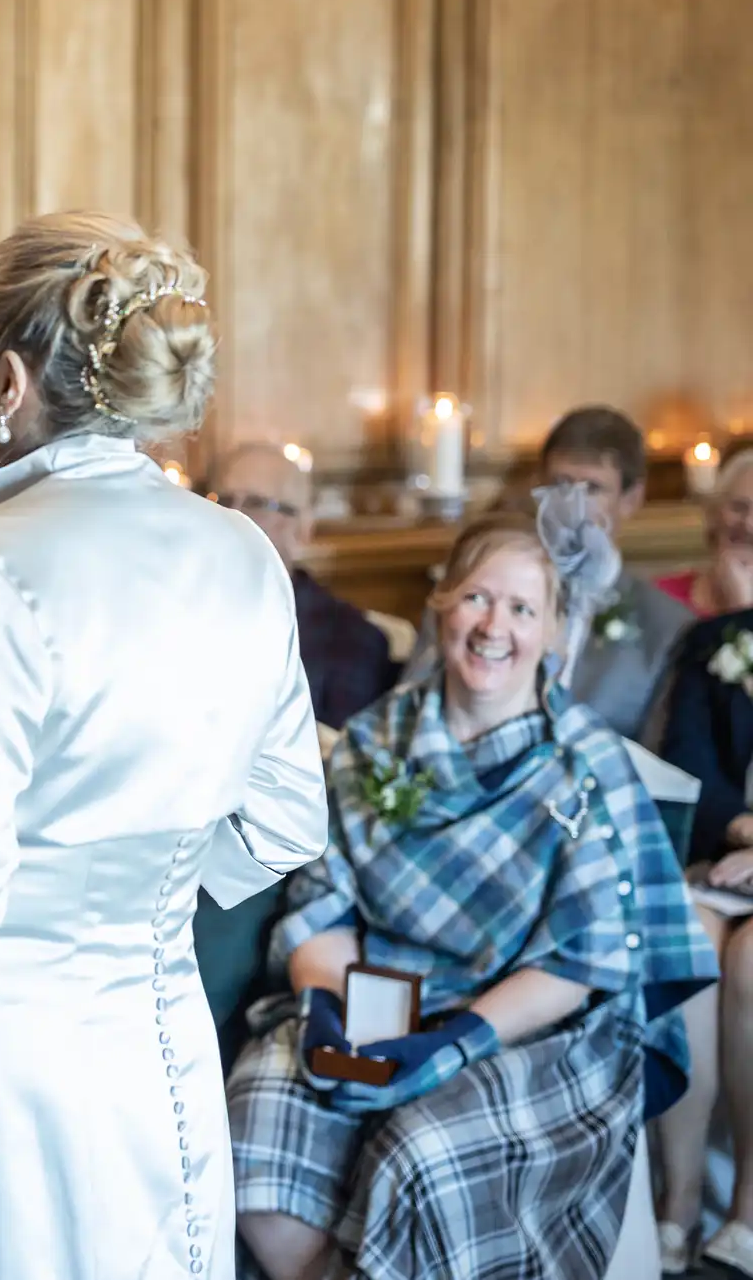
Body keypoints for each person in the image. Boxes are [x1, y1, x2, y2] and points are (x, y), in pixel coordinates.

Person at [0, 213, 329, 1279]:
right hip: (160, 1041)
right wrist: (138, 886)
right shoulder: (240, 550)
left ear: (6, 382)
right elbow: (287, 819)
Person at [228, 503, 716, 1280]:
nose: (496, 625)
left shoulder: (586, 763)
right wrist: (330, 1012)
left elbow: (584, 961)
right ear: (443, 602)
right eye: (479, 597)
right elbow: (324, 903)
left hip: (535, 1030)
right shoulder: (374, 738)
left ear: (554, 630)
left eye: (523, 607)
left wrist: (456, 1039)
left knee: (421, 1155)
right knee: (254, 1118)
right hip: (376, 999)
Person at [403, 406, 692, 740]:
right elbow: (412, 703)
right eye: (561, 484)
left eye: (592, 489)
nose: (572, 504)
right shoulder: (469, 590)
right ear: (538, 485)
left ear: (630, 499)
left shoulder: (666, 627)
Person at [652, 599, 753, 1273]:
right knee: (689, 939)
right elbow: (685, 761)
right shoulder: (720, 638)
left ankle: (748, 1209)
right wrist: (744, 826)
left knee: (751, 963)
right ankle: (679, 1200)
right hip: (728, 857)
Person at [212, 440, 398, 728]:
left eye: (257, 504)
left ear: (302, 529)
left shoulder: (351, 638)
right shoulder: (178, 609)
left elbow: (336, 758)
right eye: (222, 501)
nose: (233, 516)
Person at [656, 447, 753, 618]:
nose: (748, 524)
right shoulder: (661, 596)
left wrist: (742, 609)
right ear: (714, 514)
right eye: (738, 507)